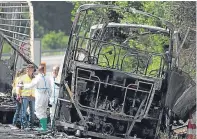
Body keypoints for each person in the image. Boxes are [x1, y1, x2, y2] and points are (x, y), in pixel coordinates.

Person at [19, 65, 52, 132]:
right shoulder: (48, 78)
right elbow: (50, 89)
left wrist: (22, 85)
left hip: (40, 95)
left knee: (38, 111)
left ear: (39, 70)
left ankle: (43, 127)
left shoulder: (37, 78)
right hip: (46, 96)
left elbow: (30, 85)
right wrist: (49, 97)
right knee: (44, 111)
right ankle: (44, 127)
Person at [19, 64, 35, 129]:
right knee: (24, 111)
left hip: (33, 96)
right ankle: (24, 125)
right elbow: (19, 87)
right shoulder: (22, 77)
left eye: (30, 69)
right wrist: (19, 96)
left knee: (32, 112)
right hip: (25, 96)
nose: (28, 70)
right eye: (27, 69)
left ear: (33, 70)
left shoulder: (35, 78)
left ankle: (31, 125)